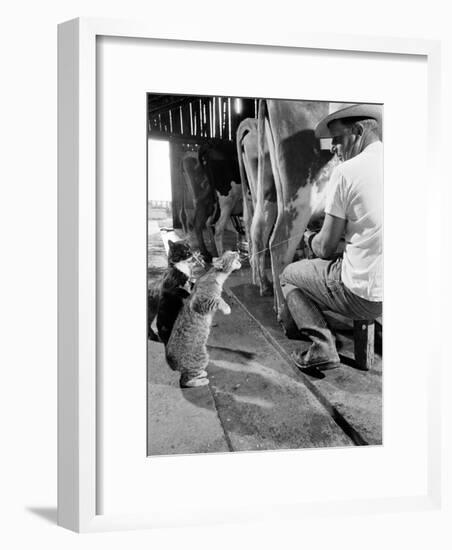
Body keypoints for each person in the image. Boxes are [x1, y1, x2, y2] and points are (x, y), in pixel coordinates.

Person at [279, 104, 383, 376]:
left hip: (365, 295)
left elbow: (325, 249)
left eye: (338, 139)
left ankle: (322, 345)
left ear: (358, 131)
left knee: (289, 274)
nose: (333, 148)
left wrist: (310, 236)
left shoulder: (346, 171)